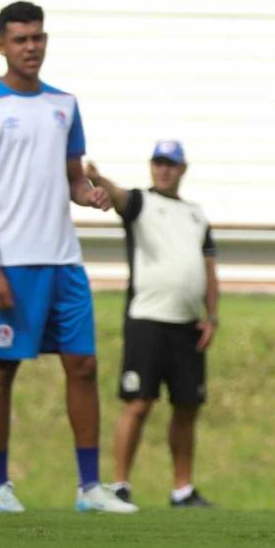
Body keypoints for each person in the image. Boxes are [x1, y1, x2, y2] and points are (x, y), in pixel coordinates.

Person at [0, 1, 137, 514]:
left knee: (82, 366)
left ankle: (89, 489)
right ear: (1, 46)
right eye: (20, 39)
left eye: (37, 37)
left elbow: (73, 179)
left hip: (64, 260)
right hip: (10, 263)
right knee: (1, 371)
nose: (30, 47)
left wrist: (92, 195)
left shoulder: (65, 104)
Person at [85, 141, 220, 508]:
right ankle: (120, 483)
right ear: (151, 167)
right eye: (159, 163)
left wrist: (212, 316)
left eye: (171, 164)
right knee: (139, 403)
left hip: (187, 325)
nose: (164, 170)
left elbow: (209, 267)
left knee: (187, 406)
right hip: (147, 320)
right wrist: (98, 179)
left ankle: (182, 488)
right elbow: (118, 196)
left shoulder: (195, 214)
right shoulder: (142, 203)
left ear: (182, 169)